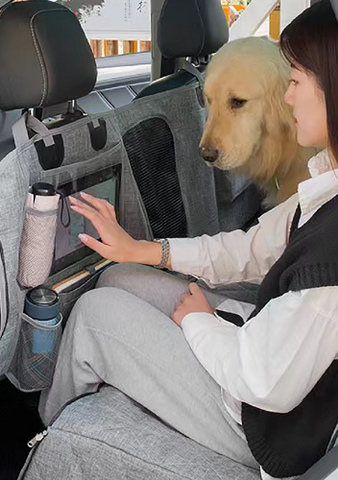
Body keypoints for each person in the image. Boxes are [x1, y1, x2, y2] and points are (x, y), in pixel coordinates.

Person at [39, 2, 338, 478]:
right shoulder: (328, 186)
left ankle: (48, 441)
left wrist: (202, 324)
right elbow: (251, 250)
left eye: (296, 81)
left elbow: (264, 382)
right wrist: (142, 251)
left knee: (95, 316)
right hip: (262, 344)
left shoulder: (330, 266)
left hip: (263, 427)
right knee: (119, 277)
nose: (287, 98)